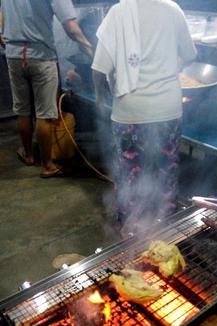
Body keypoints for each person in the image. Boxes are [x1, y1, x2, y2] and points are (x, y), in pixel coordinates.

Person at [92, 0, 197, 234]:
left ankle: (130, 231)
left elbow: (99, 68)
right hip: (166, 109)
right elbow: (190, 54)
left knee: (130, 174)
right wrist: (170, 67)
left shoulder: (119, 12)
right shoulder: (173, 10)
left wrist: (101, 97)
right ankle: (167, 228)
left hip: (130, 110)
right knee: (165, 172)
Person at [1, 0, 93, 177]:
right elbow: (72, 28)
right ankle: (47, 165)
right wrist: (91, 49)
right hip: (41, 57)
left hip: (14, 55)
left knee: (23, 110)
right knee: (45, 113)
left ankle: (28, 155)